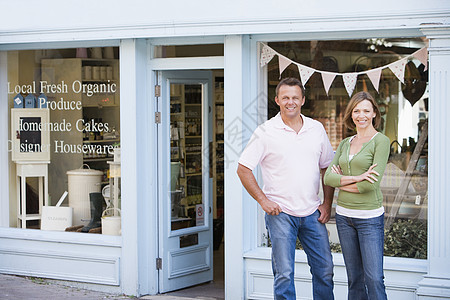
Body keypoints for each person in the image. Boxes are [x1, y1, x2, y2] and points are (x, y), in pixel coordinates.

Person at [237, 77, 335, 300]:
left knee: (325, 270)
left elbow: (327, 168)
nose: (290, 102)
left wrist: (327, 204)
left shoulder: (316, 129)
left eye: (295, 97)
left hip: (312, 213)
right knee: (284, 274)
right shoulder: (266, 131)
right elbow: (243, 169)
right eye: (285, 98)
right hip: (280, 214)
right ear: (277, 100)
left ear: (302, 100)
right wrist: (264, 201)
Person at [324, 91, 390, 300]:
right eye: (357, 110)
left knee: (374, 279)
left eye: (366, 111)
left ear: (373, 114)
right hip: (344, 217)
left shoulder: (381, 141)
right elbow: (328, 179)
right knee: (354, 279)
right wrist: (359, 177)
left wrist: (343, 182)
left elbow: (370, 186)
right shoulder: (345, 143)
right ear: (351, 114)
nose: (361, 115)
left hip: (369, 219)